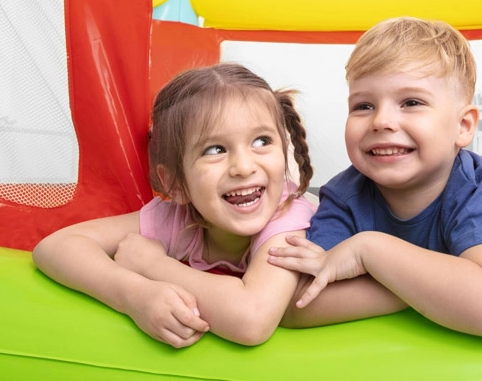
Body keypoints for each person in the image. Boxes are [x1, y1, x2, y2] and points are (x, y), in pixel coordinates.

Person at [269, 16, 482, 339]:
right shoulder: (343, 197)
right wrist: (434, 292)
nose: (381, 121)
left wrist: (369, 252)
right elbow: (296, 304)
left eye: (411, 102)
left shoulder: (473, 187)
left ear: (463, 126)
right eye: (363, 106)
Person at [33, 63, 316, 347]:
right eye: (215, 149)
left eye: (262, 141)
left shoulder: (287, 213)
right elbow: (56, 246)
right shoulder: (177, 218)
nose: (243, 167)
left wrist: (153, 265)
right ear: (176, 184)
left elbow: (251, 320)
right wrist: (134, 294)